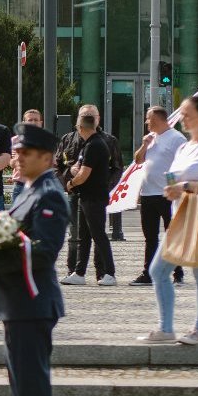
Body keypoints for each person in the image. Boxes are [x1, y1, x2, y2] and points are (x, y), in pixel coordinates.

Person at [138, 93, 198, 345]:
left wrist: (185, 186)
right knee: (158, 270)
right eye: (183, 115)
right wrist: (172, 186)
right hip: (181, 211)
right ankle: (166, 328)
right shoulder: (186, 145)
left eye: (188, 115)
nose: (184, 120)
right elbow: (175, 175)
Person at [0, 122, 71, 396]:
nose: (19, 157)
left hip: (32, 301)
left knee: (31, 388)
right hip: (18, 301)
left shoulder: (48, 193)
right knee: (21, 381)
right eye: (17, 152)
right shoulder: (30, 190)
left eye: (27, 152)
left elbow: (44, 251)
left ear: (47, 158)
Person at [60, 108, 117, 287]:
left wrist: (69, 184)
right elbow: (79, 166)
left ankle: (109, 273)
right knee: (83, 236)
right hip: (85, 196)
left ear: (80, 127)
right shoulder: (89, 144)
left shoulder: (95, 145)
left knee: (99, 234)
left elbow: (84, 174)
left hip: (94, 197)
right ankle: (79, 272)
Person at [130, 105, 183, 287]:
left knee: (172, 234)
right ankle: (148, 272)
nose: (146, 122)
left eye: (148, 118)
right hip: (148, 194)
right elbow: (138, 160)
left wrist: (174, 186)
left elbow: (182, 165)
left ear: (158, 119)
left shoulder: (176, 138)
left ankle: (177, 272)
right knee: (150, 236)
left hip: (167, 194)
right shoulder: (151, 139)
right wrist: (144, 145)